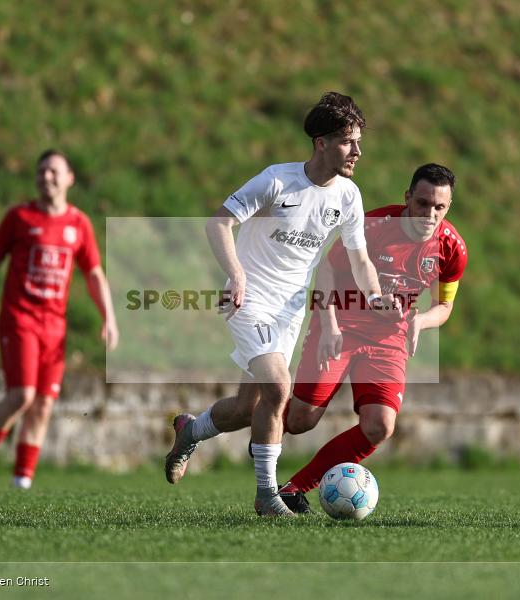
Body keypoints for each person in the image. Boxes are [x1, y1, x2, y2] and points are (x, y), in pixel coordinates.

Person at [164, 92, 400, 516]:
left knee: (247, 407)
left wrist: (377, 296)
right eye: (348, 141)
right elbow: (219, 222)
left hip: (290, 311)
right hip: (248, 298)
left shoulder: (347, 196)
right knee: (279, 388)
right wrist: (236, 275)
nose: (357, 151)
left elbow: (359, 257)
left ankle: (190, 430)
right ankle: (267, 496)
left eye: (359, 141)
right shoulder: (276, 180)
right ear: (321, 143)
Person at [277, 162, 467, 512]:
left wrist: (420, 322)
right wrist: (328, 325)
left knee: (380, 425)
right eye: (423, 203)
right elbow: (328, 268)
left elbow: (444, 305)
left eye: (439, 207)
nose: (430, 214)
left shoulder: (453, 249)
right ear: (408, 197)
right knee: (301, 420)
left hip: (389, 339)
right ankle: (253, 418)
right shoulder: (373, 226)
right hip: (342, 325)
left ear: (448, 207)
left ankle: (293, 489)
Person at [0, 149, 118, 489]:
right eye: (41, 171)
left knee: (44, 403)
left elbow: (93, 274)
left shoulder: (78, 224)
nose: (47, 177)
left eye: (54, 171)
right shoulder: (19, 218)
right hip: (20, 319)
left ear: (70, 178)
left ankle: (22, 481)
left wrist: (109, 317)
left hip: (54, 327)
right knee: (23, 395)